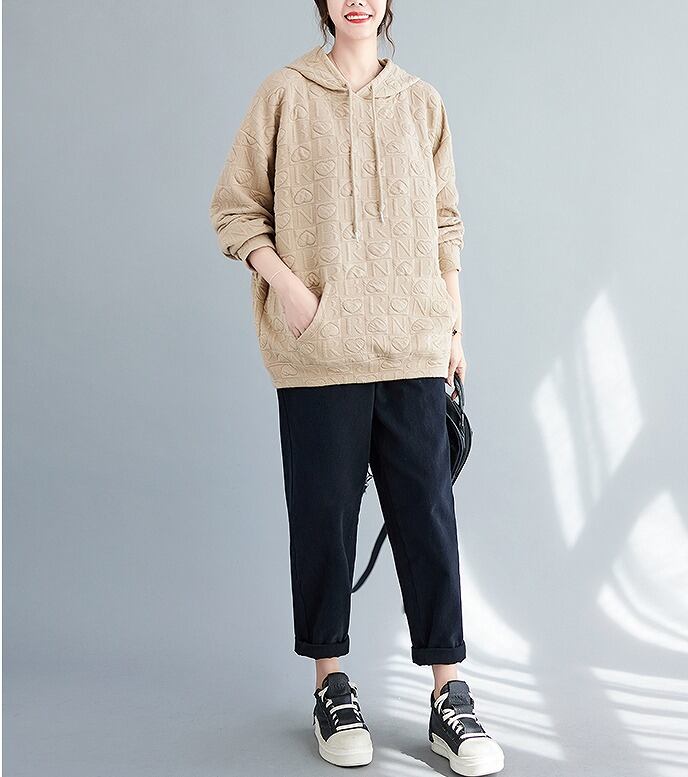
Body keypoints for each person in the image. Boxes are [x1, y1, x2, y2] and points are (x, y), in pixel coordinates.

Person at [209, 1, 504, 774]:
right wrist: (290, 292)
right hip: (320, 354)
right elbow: (235, 208)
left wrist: (453, 330)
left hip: (412, 347)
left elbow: (445, 224)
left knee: (428, 522)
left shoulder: (422, 102)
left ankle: (448, 695)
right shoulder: (283, 93)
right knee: (324, 520)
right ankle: (330, 685)